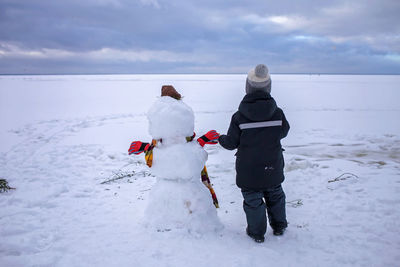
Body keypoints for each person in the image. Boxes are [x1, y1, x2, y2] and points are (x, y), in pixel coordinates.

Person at [219, 64, 290, 243]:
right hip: (272, 165)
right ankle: (279, 226)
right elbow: (284, 131)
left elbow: (231, 143)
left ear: (247, 87)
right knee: (275, 195)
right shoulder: (277, 113)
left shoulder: (239, 117)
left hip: (249, 170)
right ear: (268, 87)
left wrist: (219, 138)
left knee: (253, 201)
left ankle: (257, 233)